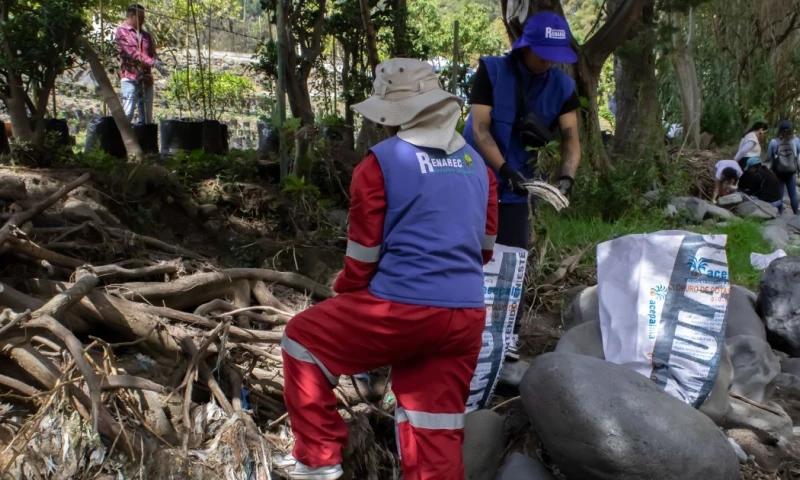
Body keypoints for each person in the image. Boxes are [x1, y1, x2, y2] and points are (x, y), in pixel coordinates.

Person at [278, 58, 498, 480]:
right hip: (466, 314)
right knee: (434, 425)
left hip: (401, 309)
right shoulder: (478, 167)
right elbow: (483, 250)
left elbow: (362, 256)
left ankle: (318, 460)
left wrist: (348, 288)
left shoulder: (380, 163)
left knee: (302, 340)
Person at [462, 11, 581, 360]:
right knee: (468, 253)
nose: (547, 62)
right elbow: (481, 129)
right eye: (542, 52)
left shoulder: (563, 87)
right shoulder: (491, 71)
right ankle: (461, 328)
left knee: (512, 258)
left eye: (554, 56)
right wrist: (503, 167)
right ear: (525, 46)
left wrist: (566, 177)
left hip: (518, 189)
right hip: (473, 178)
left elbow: (571, 140)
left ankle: (505, 334)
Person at [116, 4, 169, 124]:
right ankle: (122, 141)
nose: (143, 20)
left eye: (143, 17)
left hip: (146, 79)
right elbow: (134, 53)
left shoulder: (146, 36)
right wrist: (153, 63)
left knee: (146, 118)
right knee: (128, 113)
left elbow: (152, 53)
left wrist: (158, 61)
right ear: (130, 16)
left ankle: (142, 142)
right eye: (140, 17)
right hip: (131, 77)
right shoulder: (122, 32)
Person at [767, 120, 800, 215]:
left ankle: (780, 214)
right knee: (793, 194)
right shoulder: (796, 140)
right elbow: (798, 153)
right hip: (791, 171)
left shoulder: (774, 142)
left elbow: (769, 157)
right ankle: (796, 215)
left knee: (779, 194)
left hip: (778, 172)